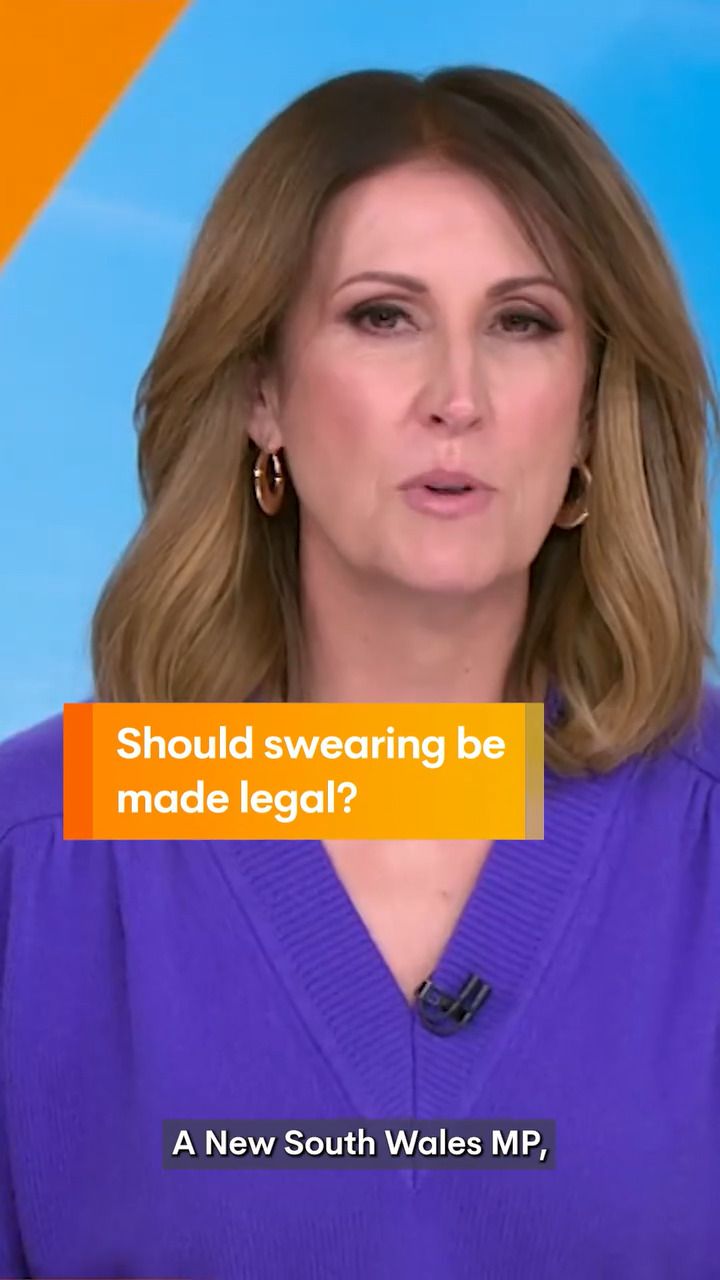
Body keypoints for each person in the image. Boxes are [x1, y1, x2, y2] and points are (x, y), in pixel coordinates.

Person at [1, 64, 719, 1279]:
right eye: (384, 316)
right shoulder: (33, 850)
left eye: (523, 322)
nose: (457, 398)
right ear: (262, 391)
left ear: (594, 408)